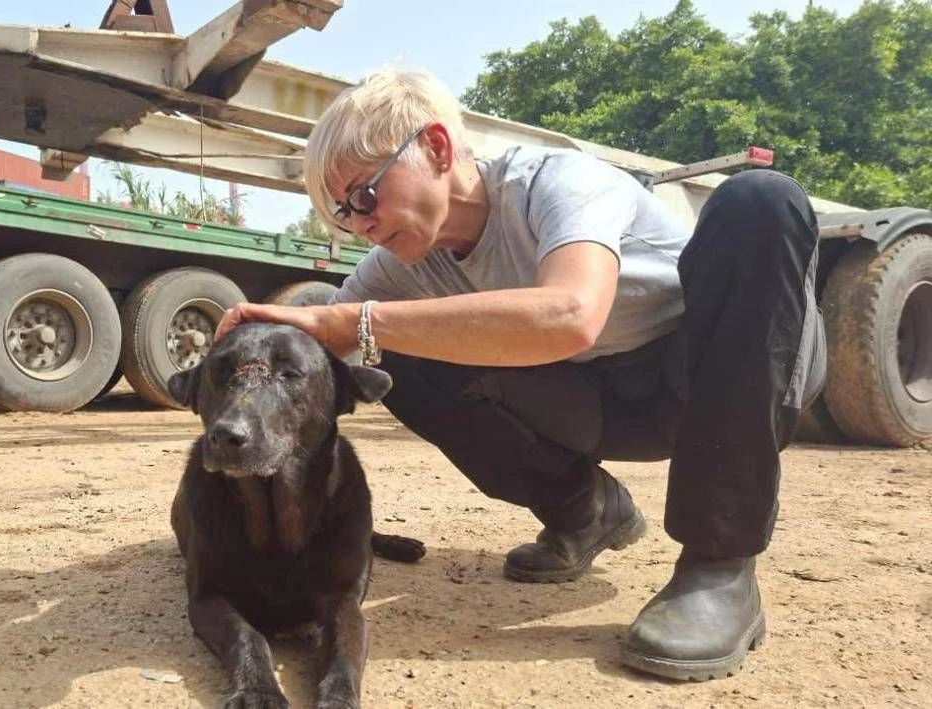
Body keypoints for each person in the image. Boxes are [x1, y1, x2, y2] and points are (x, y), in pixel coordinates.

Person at [214, 68, 826, 681]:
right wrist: (241, 396)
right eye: (345, 215)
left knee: (760, 200)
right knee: (391, 352)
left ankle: (719, 567)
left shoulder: (557, 182)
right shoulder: (396, 269)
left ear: (435, 147)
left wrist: (358, 321)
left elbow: (572, 315)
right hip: (605, 402)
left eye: (365, 196)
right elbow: (323, 359)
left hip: (714, 376)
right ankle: (584, 509)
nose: (361, 224)